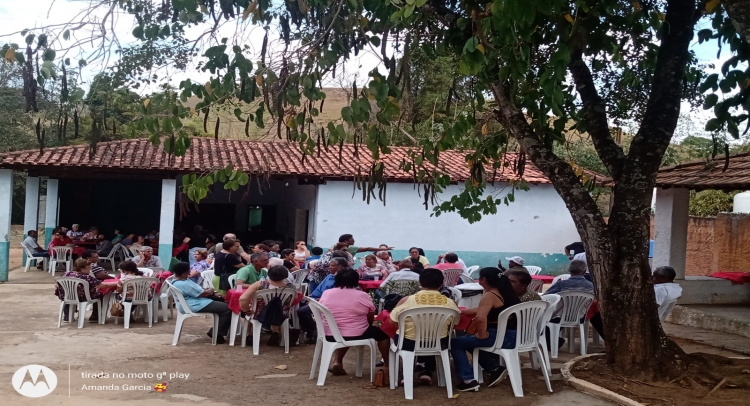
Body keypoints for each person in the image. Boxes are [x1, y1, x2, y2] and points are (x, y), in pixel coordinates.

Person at [451, 267, 520, 392]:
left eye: (479, 278)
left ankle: (468, 380)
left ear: (484, 279)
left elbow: (481, 318)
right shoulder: (506, 292)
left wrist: (482, 334)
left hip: (501, 338)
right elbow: (483, 309)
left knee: (455, 342)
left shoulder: (490, 295)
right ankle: (494, 368)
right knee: (468, 341)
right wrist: (464, 311)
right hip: (515, 336)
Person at [389, 268, 460, 385]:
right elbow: (454, 324)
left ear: (420, 282)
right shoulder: (450, 303)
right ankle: (427, 372)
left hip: (408, 342)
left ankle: (407, 375)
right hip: (439, 343)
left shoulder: (407, 300)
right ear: (442, 283)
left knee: (405, 335)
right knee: (433, 334)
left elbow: (392, 322)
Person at [320, 269, 391, 376]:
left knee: (343, 330)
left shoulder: (327, 293)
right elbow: (370, 314)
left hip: (329, 333)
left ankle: (337, 361)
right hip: (355, 332)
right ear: (356, 281)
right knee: (383, 335)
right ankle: (387, 364)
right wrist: (367, 325)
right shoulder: (362, 295)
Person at [543, 259, 604, 346]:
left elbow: (546, 297)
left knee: (547, 319)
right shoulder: (591, 286)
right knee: (597, 315)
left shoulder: (560, 284)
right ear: (584, 271)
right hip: (581, 316)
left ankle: (552, 342)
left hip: (560, 317)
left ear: (569, 270)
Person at [171, 261, 232, 344]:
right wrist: (210, 290)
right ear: (183, 272)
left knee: (224, 303)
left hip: (196, 301)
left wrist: (213, 292)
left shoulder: (183, 280)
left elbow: (199, 290)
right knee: (227, 308)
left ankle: (218, 331)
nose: (190, 272)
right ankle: (216, 333)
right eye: (188, 270)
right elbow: (203, 293)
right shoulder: (182, 284)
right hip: (194, 304)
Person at [239, 265, 297, 346]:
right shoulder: (290, 287)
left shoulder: (260, 284)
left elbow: (243, 299)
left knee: (244, 314)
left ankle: (249, 335)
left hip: (259, 313)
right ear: (285, 275)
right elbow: (295, 299)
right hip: (281, 314)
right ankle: (275, 332)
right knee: (276, 308)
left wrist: (247, 310)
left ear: (269, 273)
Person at [297, 256, 349, 343]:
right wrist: (310, 296)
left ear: (340, 267)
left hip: (324, 303)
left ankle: (314, 331)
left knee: (302, 311)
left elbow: (336, 295)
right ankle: (303, 331)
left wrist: (317, 300)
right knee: (297, 305)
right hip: (315, 299)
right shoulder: (329, 275)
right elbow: (319, 287)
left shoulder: (342, 278)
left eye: (332, 265)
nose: (329, 267)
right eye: (330, 265)